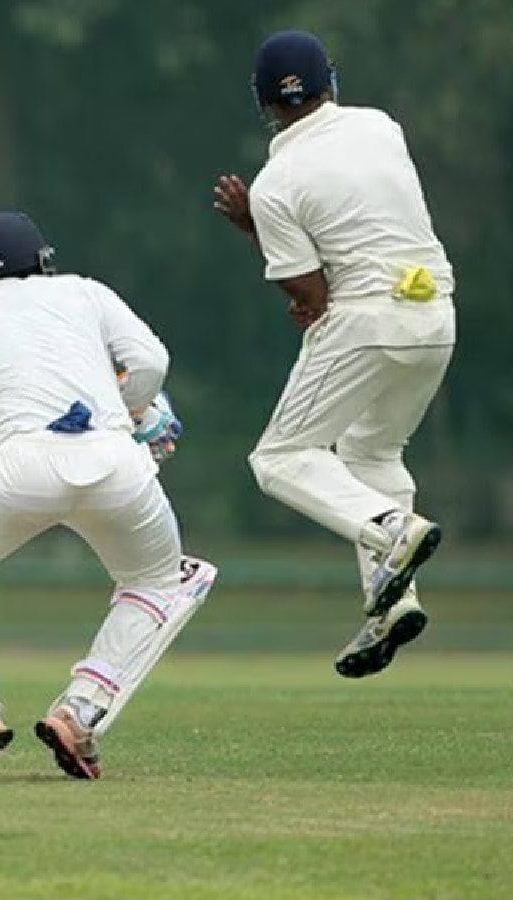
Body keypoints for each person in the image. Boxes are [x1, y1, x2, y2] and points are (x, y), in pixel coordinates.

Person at [0, 212, 216, 782]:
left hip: (18, 467)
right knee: (158, 582)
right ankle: (81, 712)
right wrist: (131, 416)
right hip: (119, 464)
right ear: (44, 263)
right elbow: (152, 363)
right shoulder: (84, 291)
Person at [212, 31, 452, 679]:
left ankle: (390, 531)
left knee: (281, 458)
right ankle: (393, 602)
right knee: (373, 452)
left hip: (366, 322)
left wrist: (255, 229)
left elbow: (312, 296)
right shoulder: (382, 127)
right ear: (332, 82)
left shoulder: (274, 182)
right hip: (434, 317)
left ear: (263, 101)